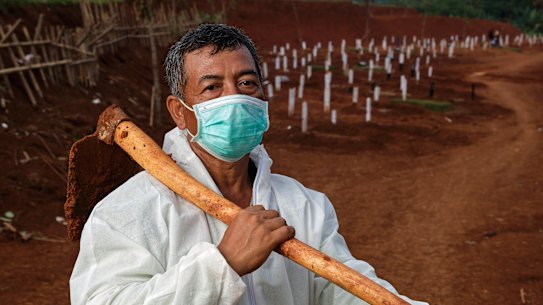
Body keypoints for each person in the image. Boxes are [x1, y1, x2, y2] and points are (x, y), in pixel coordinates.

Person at [70, 24, 428, 305]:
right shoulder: (128, 212)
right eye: (212, 87)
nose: (236, 97)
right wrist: (221, 265)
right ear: (179, 111)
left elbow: (340, 286)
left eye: (247, 83)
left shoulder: (305, 205)